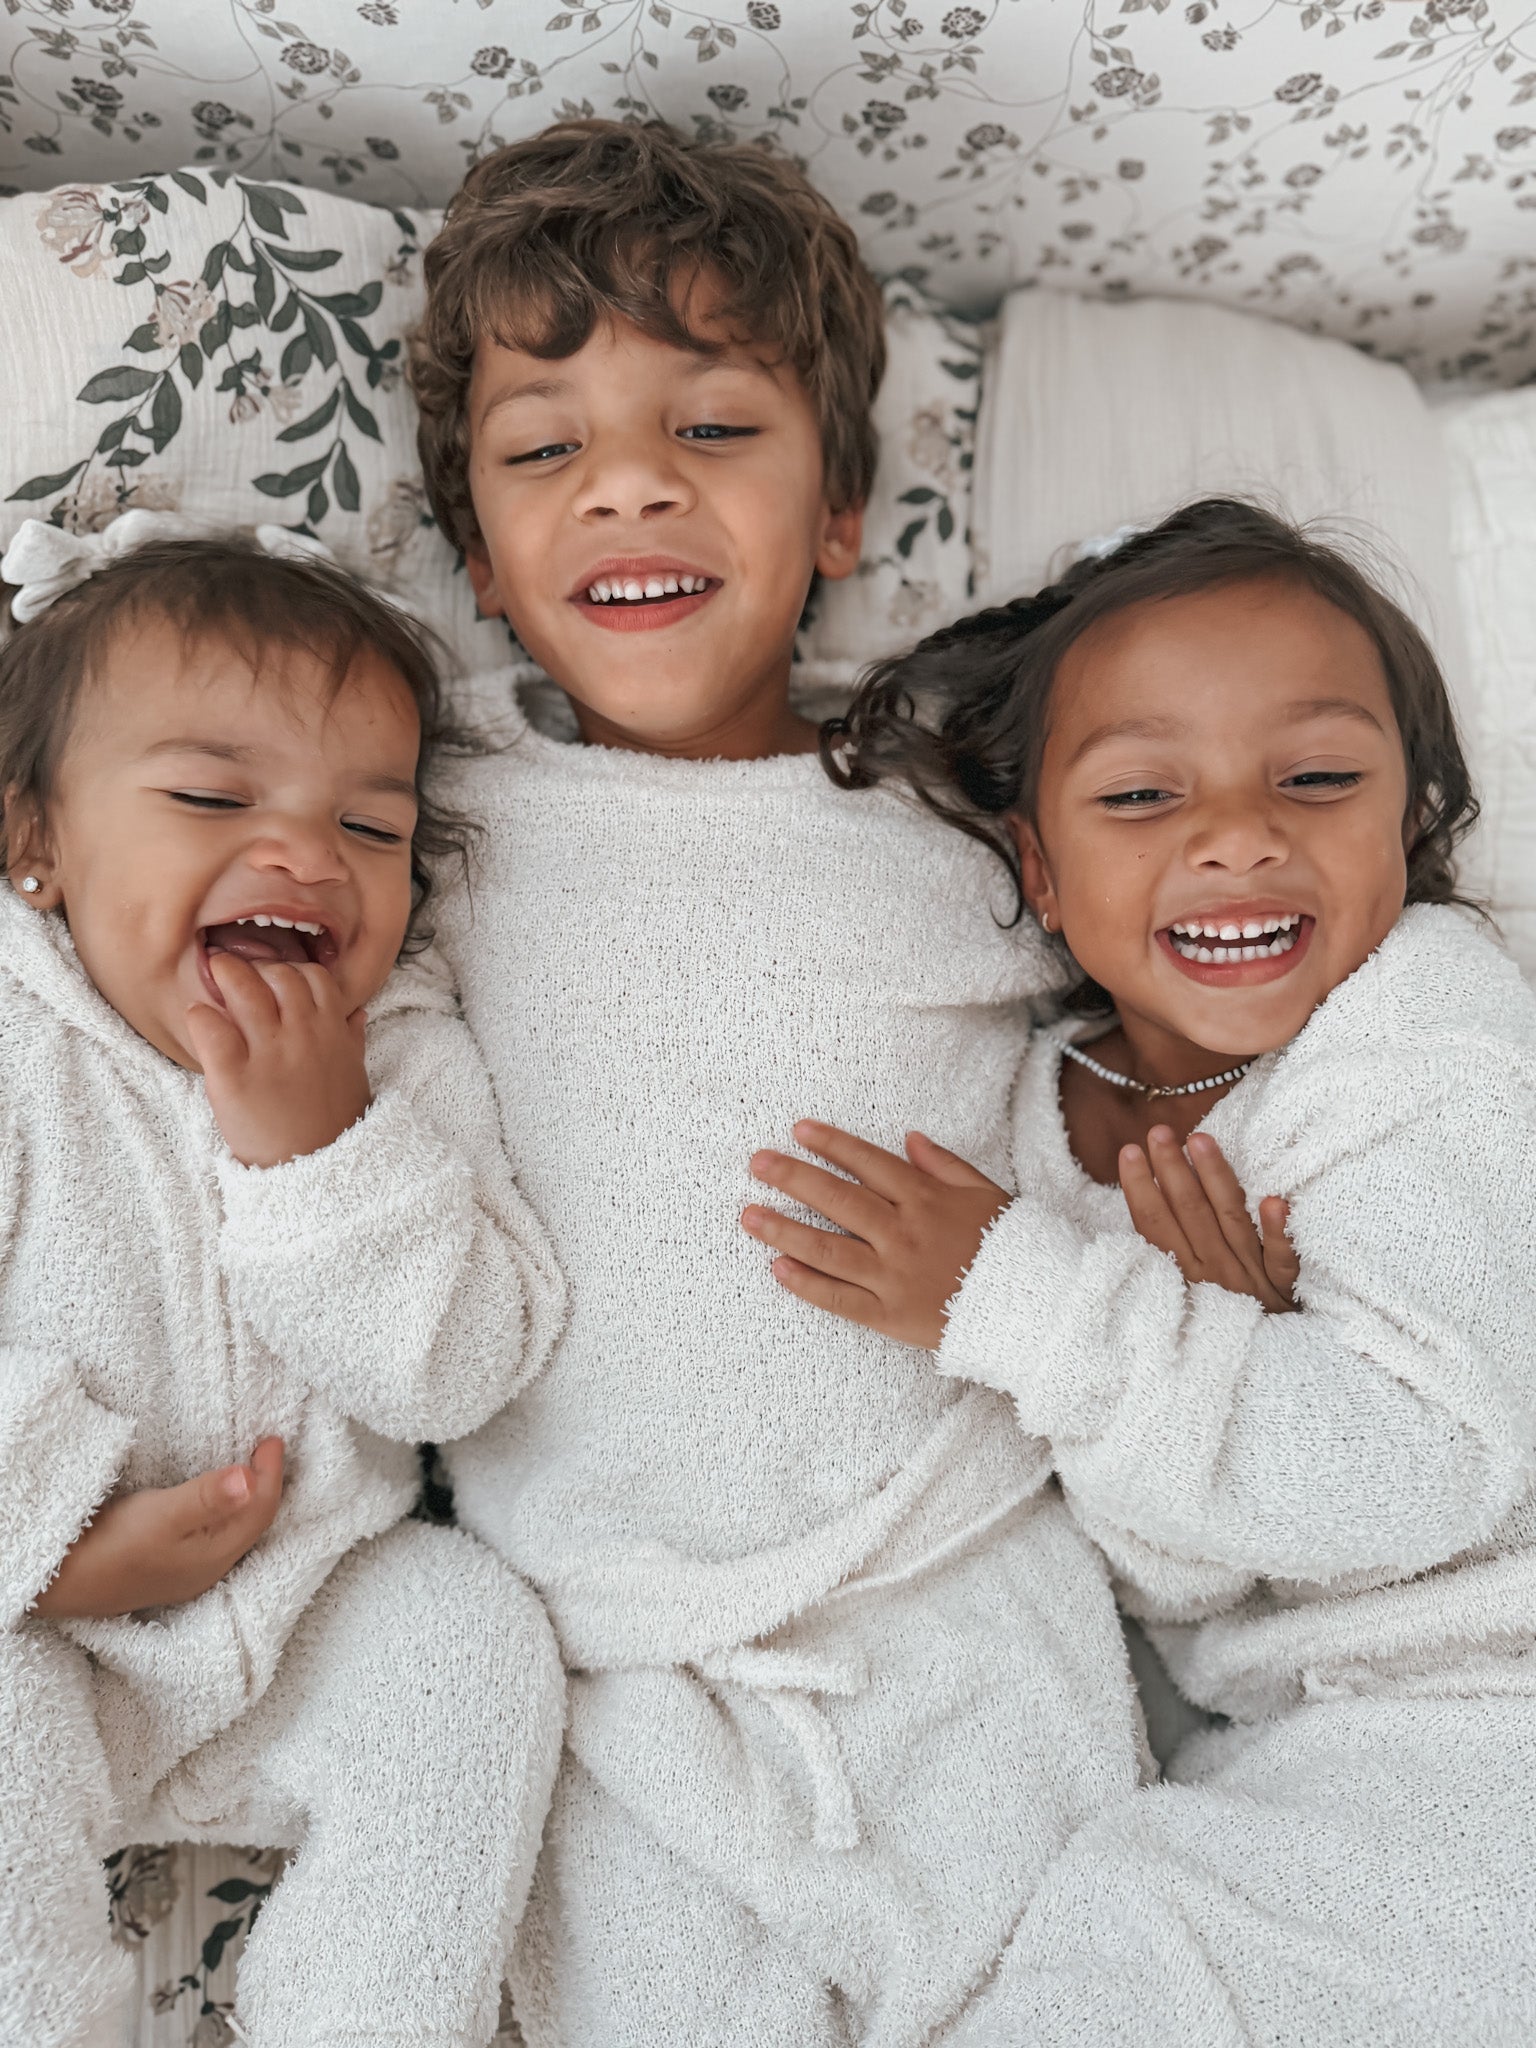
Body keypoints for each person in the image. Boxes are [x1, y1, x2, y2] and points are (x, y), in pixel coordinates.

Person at [406, 118, 1145, 2045]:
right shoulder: (443, 811)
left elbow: (1152, 1015)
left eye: (714, 428)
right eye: (544, 452)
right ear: (478, 558)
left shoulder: (957, 806)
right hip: (614, 1657)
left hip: (959, 1598)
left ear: (838, 512)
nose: (629, 484)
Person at [745, 497, 1536, 2045]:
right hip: (1294, 1741)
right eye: (1142, 795)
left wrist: (1024, 1305)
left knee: (1138, 1944)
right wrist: (1213, 1344)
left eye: (1318, 779)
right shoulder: (1030, 1119)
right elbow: (1181, 1570)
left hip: (1490, 1703)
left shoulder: (1427, 1036)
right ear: (1040, 872)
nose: (1237, 836)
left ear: (1413, 818)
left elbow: (1418, 1473)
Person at [0, 519, 567, 2048]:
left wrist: (321, 1155)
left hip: (315, 1603)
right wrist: (56, 1543)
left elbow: (465, 1375)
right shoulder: (18, 1047)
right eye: (210, 798)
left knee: (470, 1641)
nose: (307, 857)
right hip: (33, 1621)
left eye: (371, 828)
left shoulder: (406, 1061)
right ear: (34, 840)